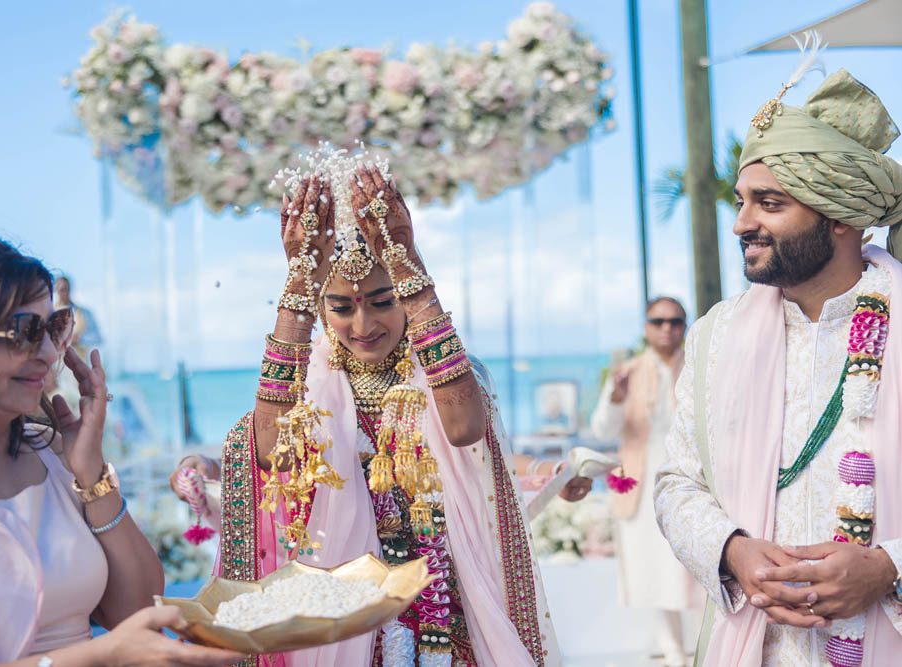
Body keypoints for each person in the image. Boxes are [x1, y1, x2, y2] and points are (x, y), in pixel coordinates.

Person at [171, 160, 592, 666]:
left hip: (446, 612)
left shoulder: (447, 370)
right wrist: (299, 285)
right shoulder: (307, 386)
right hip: (345, 620)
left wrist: (408, 262)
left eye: (381, 300)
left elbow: (464, 430)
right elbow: (270, 456)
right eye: (342, 307)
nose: (363, 324)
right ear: (322, 309)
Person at [0, 232, 244, 666]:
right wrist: (99, 658)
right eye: (25, 330)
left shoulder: (51, 456)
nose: (48, 353)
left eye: (54, 327)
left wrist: (91, 471)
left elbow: (140, 611)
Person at [654, 69, 902, 666]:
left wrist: (889, 567)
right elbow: (677, 482)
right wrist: (734, 551)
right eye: (743, 202)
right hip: (758, 648)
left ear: (839, 215)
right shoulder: (718, 335)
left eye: (770, 204)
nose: (741, 224)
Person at [590, 296, 699, 666]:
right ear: (645, 327)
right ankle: (674, 652)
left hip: (692, 479)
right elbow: (602, 429)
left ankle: (702, 647)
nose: (667, 328)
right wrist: (618, 396)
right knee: (653, 567)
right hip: (640, 481)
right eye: (658, 321)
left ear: (685, 325)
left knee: (691, 565)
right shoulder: (629, 371)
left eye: (675, 321)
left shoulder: (701, 367)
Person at [55, 275, 103, 356]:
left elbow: (97, 337)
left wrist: (80, 339)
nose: (63, 293)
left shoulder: (84, 313)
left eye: (65, 289)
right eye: (60, 290)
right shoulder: (50, 314)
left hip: (79, 362)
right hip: (55, 364)